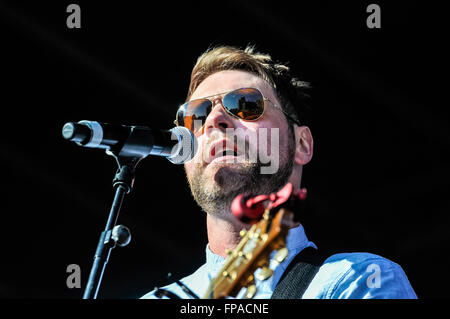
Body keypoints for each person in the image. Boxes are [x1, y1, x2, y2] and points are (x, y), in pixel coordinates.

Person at [141, 45, 417, 299]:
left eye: (245, 104)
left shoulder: (357, 279)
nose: (214, 120)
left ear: (302, 144)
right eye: (195, 116)